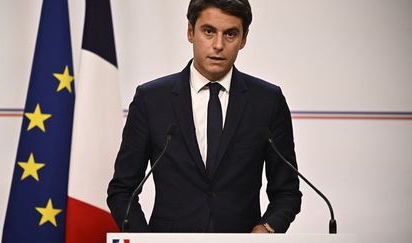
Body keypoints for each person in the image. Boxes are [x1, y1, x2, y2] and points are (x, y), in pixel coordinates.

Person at [107, 0, 302, 233]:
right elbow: (122, 190)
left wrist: (267, 228)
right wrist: (145, 240)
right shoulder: (151, 99)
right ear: (190, 32)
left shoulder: (267, 101)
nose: (218, 45)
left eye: (230, 34)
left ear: (244, 39)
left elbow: (287, 191)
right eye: (208, 31)